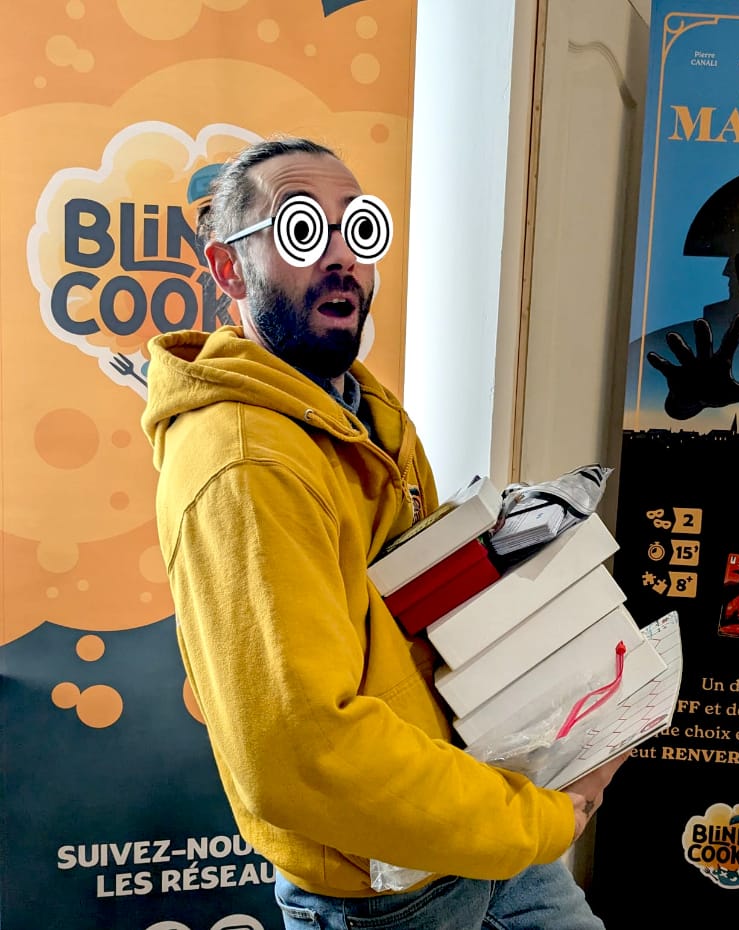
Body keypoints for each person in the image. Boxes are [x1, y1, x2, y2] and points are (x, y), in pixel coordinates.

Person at [141, 136, 628, 930]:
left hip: (474, 822)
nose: (341, 257)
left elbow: (409, 619)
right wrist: (532, 820)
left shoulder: (362, 412)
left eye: (358, 228)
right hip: (390, 887)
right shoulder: (245, 466)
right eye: (302, 229)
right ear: (229, 269)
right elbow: (303, 752)